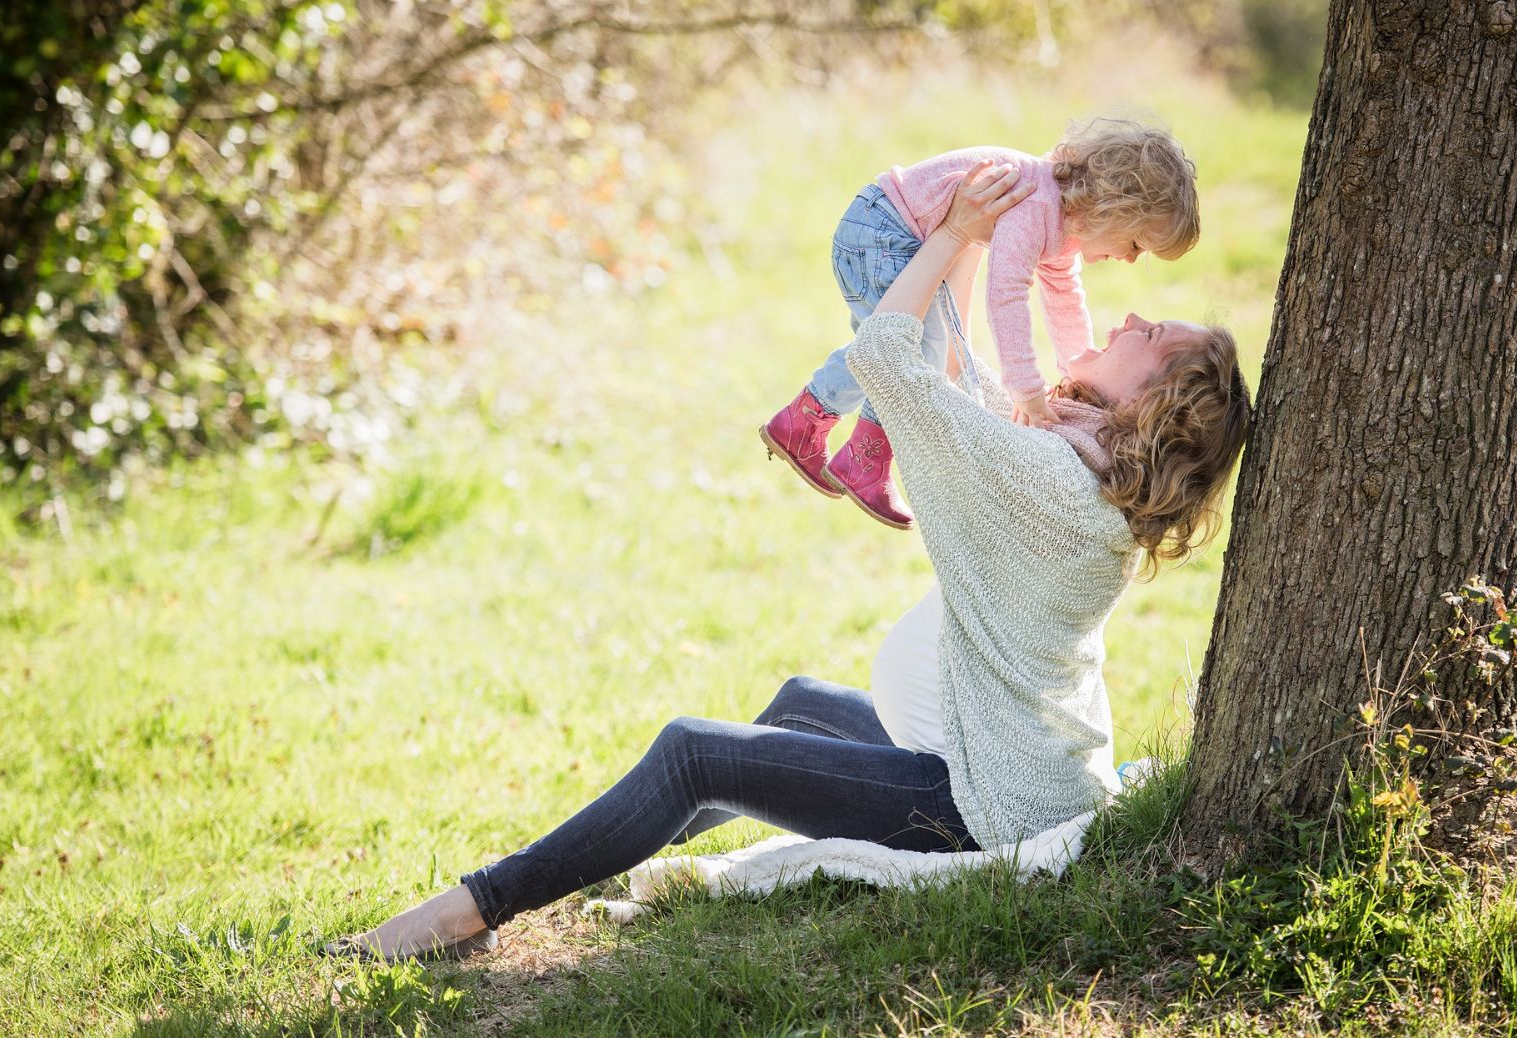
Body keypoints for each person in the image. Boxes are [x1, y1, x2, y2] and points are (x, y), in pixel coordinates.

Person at [325, 162, 1249, 963]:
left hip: (980, 803)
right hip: (1005, 761)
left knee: (695, 752)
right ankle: (585, 861)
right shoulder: (1083, 475)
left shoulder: (1049, 480)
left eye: (1156, 336)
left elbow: (890, 356)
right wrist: (972, 243)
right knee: (798, 704)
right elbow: (963, 385)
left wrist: (957, 235)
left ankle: (469, 911)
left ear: (1155, 407)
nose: (1132, 314)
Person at [761, 117, 1199, 529]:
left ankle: (807, 424)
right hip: (882, 232)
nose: (1128, 258)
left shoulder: (1063, 225)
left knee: (905, 346)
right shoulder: (1038, 206)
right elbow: (1006, 295)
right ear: (1112, 208)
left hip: (891, 231)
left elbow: (1064, 300)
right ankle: (860, 456)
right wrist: (1026, 390)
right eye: (1137, 243)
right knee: (908, 348)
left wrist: (1074, 371)